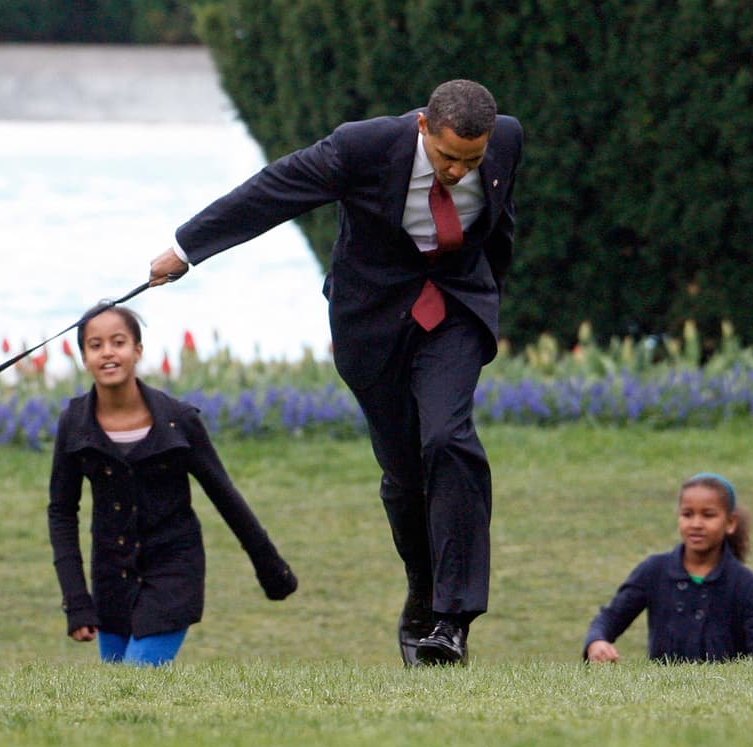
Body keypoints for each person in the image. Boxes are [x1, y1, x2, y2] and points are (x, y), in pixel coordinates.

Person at [148, 79, 522, 665]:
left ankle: (453, 619)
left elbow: (498, 227)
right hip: (372, 320)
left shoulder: (504, 144)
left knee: (449, 440)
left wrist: (491, 300)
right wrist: (187, 249)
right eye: (448, 157)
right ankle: (421, 592)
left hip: (453, 309)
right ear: (423, 126)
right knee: (404, 472)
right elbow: (273, 192)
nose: (457, 171)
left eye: (470, 161)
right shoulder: (363, 148)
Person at [47, 304, 298, 666]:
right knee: (114, 693)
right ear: (84, 356)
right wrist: (76, 600)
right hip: (111, 578)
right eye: (96, 345)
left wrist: (271, 569)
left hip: (173, 571)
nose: (108, 353)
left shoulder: (178, 421)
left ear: (138, 350)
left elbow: (224, 495)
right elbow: (61, 512)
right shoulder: (74, 423)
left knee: (134, 679)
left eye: (118, 342)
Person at [583, 473, 753, 663]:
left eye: (708, 515)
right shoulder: (653, 571)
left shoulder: (743, 582)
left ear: (730, 523)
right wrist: (596, 642)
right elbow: (610, 618)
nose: (696, 524)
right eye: (687, 514)